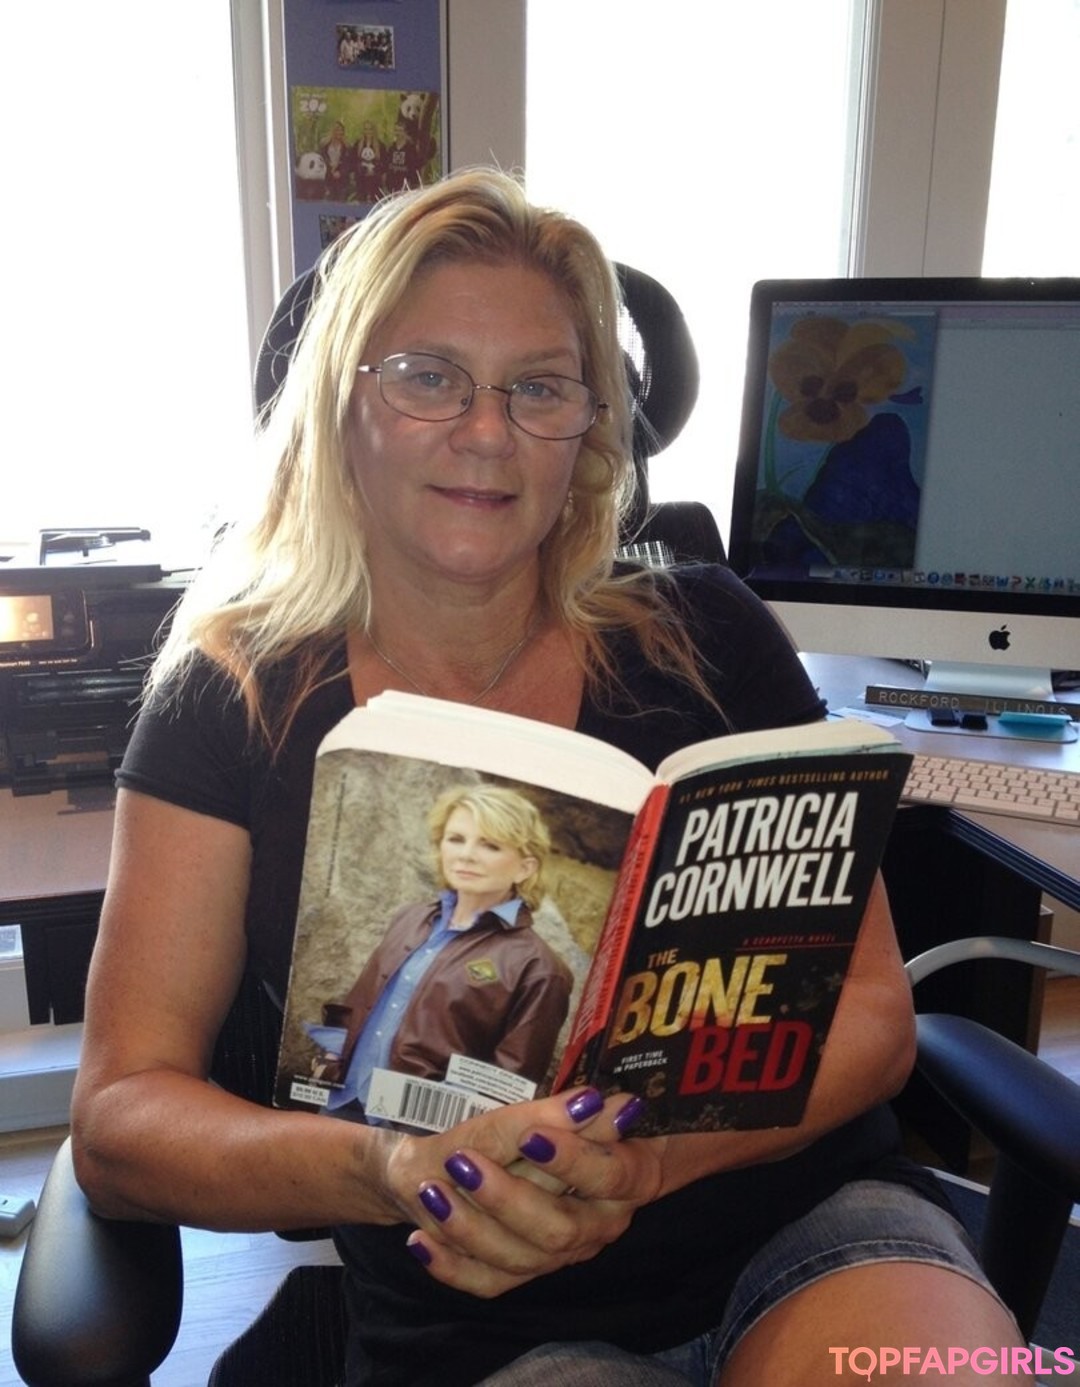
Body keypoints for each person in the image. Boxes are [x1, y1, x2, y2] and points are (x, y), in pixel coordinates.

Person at [72, 168, 1028, 1386]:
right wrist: (386, 1168)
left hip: (806, 1227)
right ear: (341, 403)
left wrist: (647, 1163)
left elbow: (874, 1017)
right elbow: (121, 1117)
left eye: (537, 387)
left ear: (588, 429)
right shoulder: (231, 694)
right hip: (483, 1310)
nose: (488, 432)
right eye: (428, 376)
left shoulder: (708, 635)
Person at [317, 783, 573, 1113]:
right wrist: (326, 1064)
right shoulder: (410, 918)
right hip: (338, 1102)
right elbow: (355, 1004)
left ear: (525, 867)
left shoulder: (540, 968)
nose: (466, 854)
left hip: (416, 1132)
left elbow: (507, 1086)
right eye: (456, 839)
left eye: (490, 845)